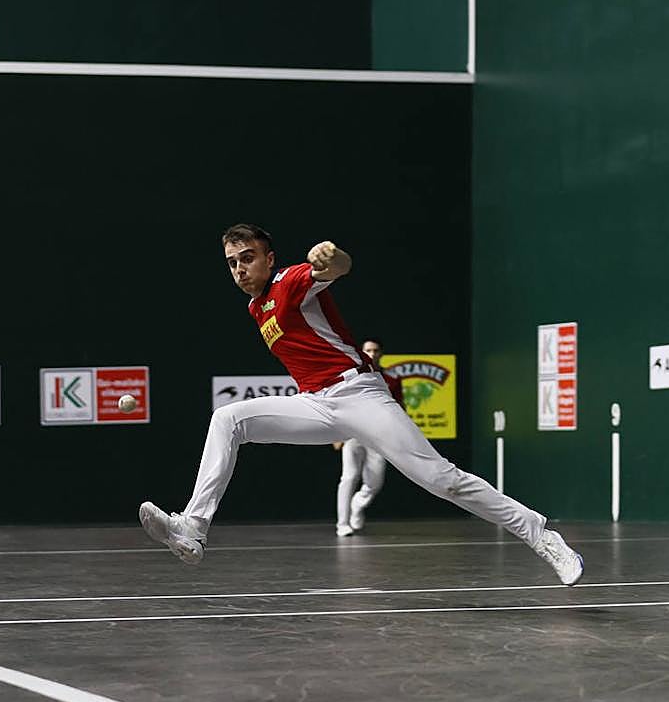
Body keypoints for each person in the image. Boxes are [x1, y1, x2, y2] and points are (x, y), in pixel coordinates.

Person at [139, 224, 583, 585]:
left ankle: (542, 536)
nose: (239, 269)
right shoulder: (257, 308)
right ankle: (193, 528)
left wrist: (332, 259)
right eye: (232, 263)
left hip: (360, 395)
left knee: (441, 480)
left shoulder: (290, 282)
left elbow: (336, 268)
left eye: (247, 257)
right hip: (317, 404)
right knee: (229, 418)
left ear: (269, 258)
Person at [331, 337, 403, 537]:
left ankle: (356, 505)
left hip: (378, 437)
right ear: (362, 353)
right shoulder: (351, 377)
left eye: (375, 350)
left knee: (375, 482)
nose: (372, 353)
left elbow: (398, 410)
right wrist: (336, 433)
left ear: (381, 353)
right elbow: (339, 404)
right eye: (368, 350)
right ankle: (342, 523)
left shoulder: (392, 379)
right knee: (349, 477)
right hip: (352, 434)